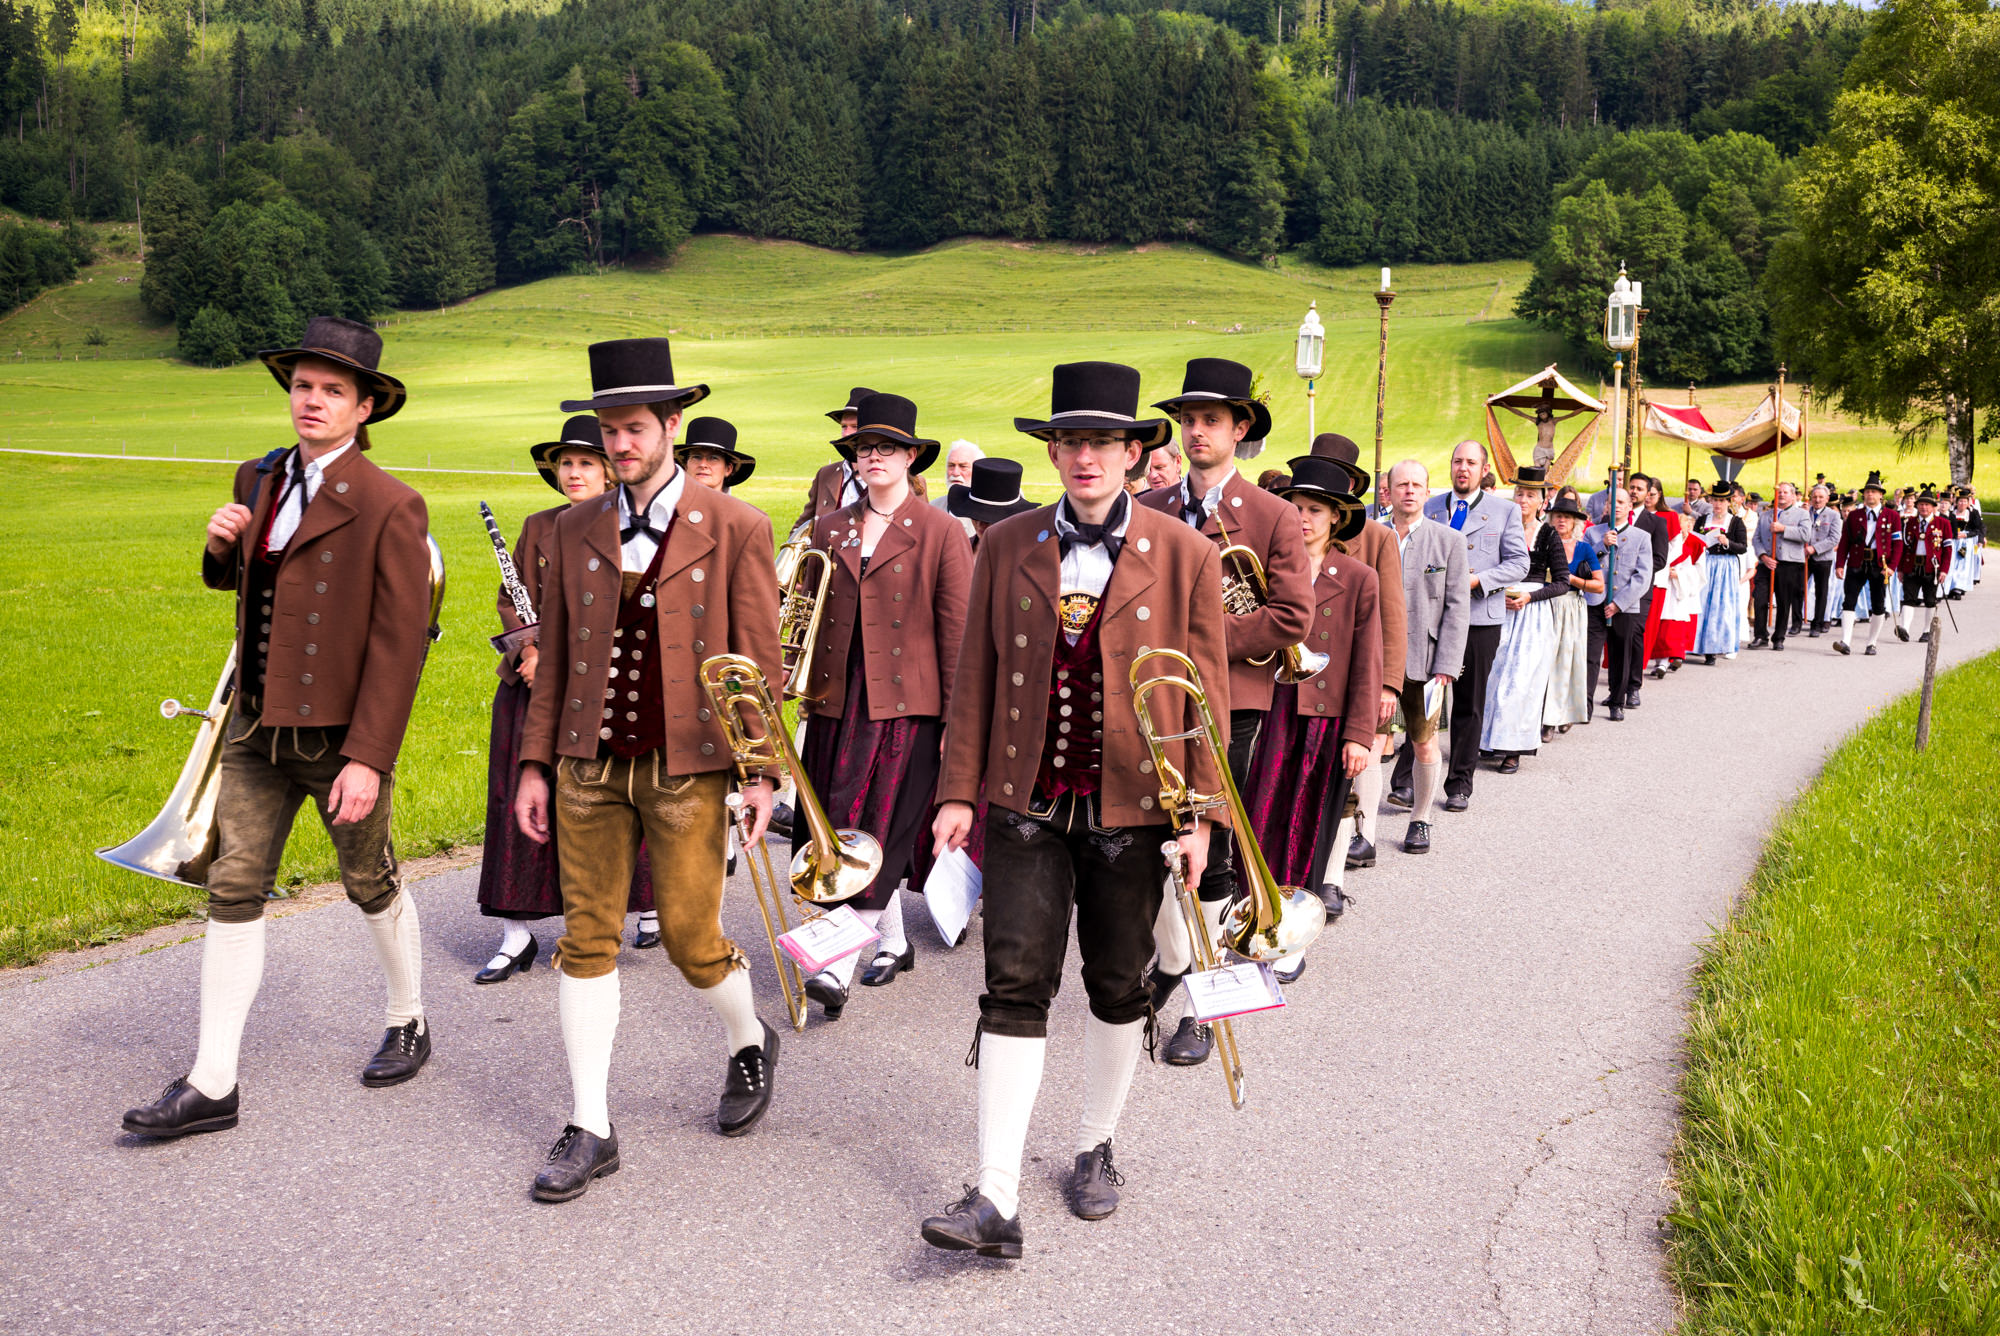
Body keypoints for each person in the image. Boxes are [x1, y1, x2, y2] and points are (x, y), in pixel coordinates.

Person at [919, 360, 1227, 1256]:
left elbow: (1204, 697)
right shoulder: (1007, 543)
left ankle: (1095, 1145)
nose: (1084, 456)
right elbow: (973, 676)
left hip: (1137, 807)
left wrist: (1201, 820)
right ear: (1052, 452)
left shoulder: (1186, 553)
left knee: (1118, 982)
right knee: (1013, 982)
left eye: (1101, 442)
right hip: (1026, 802)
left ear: (1132, 452)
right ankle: (996, 1195)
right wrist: (955, 792)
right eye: (1069, 441)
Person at [122, 317, 435, 1140]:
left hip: (338, 740)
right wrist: (219, 547)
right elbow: (247, 587)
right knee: (233, 886)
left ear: (365, 408)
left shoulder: (392, 504)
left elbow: (399, 644)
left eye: (333, 390)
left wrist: (368, 758)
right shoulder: (257, 477)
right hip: (255, 727)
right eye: (302, 385)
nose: (313, 401)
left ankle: (408, 1016)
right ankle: (212, 1082)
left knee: (369, 881)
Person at [512, 337, 785, 1203]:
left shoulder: (736, 526)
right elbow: (555, 658)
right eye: (608, 430)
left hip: (688, 766)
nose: (619, 445)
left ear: (671, 425)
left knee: (691, 941)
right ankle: (590, 1125)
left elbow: (757, 662)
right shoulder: (571, 527)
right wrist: (534, 763)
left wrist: (760, 773)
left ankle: (749, 1039)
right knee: (586, 937)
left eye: (634, 428)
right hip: (588, 765)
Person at [1138, 357, 1311, 1067]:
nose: (1196, 432)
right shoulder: (1149, 507)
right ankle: (1172, 963)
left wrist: (1201, 640)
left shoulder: (1272, 515)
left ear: (1240, 429)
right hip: (1152, 699)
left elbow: (1292, 616)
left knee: (1210, 852)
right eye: (1188, 420)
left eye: (1211, 420)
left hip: (1231, 704)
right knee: (1149, 840)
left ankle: (1204, 1006)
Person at [796, 393, 972, 1019]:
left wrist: (955, 724)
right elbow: (808, 614)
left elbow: (958, 635)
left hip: (906, 707)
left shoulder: (941, 530)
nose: (874, 456)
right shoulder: (830, 526)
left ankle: (836, 966)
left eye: (888, 447)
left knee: (881, 829)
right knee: (837, 824)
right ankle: (893, 942)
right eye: (865, 447)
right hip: (837, 701)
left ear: (911, 456)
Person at [477, 418, 660, 983]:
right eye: (565, 464)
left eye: (585, 462)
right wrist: (530, 651)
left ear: (609, 471)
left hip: (602, 688)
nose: (573, 473)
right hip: (530, 688)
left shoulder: (633, 529)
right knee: (517, 799)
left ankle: (639, 908)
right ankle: (516, 934)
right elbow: (513, 600)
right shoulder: (539, 525)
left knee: (615, 802)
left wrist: (560, 661)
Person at [1239, 456, 1380, 925]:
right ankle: (1251, 913)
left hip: (1325, 717)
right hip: (1269, 707)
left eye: (1315, 510)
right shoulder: (1269, 568)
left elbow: (1367, 661)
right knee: (1257, 816)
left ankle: (1294, 924)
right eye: (1295, 508)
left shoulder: (1358, 577)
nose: (1302, 518)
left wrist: (1359, 734)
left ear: (1336, 516)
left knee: (1309, 824)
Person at [1300, 434, 1405, 875]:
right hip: (1299, 678)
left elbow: (1391, 614)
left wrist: (1389, 683)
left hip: (1354, 673)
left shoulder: (1378, 537)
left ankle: (1351, 854)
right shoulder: (1292, 534)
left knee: (1356, 769)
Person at [1419, 439, 1527, 812]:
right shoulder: (1431, 507)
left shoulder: (1505, 511)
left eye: (1470, 462)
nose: (1462, 468)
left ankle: (1459, 784)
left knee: (1468, 703)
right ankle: (1409, 782)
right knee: (1422, 698)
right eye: (1457, 461)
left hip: (1479, 619)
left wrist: (1478, 580)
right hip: (1432, 618)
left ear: (1484, 470)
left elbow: (1519, 563)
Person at [1380, 460, 1469, 855]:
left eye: (1417, 485)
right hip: (1377, 661)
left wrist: (1447, 665)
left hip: (1427, 662)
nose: (1410, 491)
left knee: (1425, 743)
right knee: (1370, 744)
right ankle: (1361, 831)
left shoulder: (1449, 541)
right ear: (1388, 491)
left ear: (1428, 492)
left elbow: (1457, 606)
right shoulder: (1370, 536)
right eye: (1402, 484)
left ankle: (1421, 820)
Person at [1479, 466, 1565, 770]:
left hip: (1532, 615)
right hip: (1498, 606)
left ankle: (1514, 748)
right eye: (1519, 493)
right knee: (1491, 676)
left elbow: (1562, 582)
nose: (1523, 500)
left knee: (1521, 681)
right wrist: (1497, 592)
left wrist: (1530, 596)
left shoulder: (1548, 534)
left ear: (1542, 501)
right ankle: (1487, 740)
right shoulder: (1499, 527)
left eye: (1530, 495)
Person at [789, 387, 926, 538]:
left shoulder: (912, 482)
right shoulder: (826, 474)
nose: (846, 433)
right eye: (844, 426)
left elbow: (923, 531)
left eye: (854, 426)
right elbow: (801, 528)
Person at [1583, 485, 1654, 722]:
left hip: (1625, 606)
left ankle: (1617, 701)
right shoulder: (1593, 533)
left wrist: (1619, 603)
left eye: (1621, 503)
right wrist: (1601, 546)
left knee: (1620, 655)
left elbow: (1643, 576)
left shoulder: (1641, 537)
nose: (1615, 507)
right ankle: (1585, 704)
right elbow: (1582, 566)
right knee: (1590, 656)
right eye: (1611, 502)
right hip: (1595, 603)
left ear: (1630, 506)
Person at [1539, 489, 1600, 735]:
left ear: (1575, 521)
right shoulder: (1542, 544)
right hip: (1544, 604)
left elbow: (1599, 585)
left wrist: (1572, 579)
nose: (1562, 520)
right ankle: (1544, 715)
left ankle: (1557, 717)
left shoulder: (1584, 549)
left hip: (1570, 607)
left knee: (1565, 663)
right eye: (1557, 516)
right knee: (1543, 663)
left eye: (1567, 516)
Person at [1834, 472, 1900, 657]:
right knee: (1849, 601)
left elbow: (1898, 544)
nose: (1870, 494)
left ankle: (1872, 643)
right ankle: (1846, 641)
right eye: (1867, 492)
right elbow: (1845, 541)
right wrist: (1840, 564)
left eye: (1874, 492)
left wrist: (1892, 566)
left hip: (1880, 565)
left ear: (1881, 495)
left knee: (1878, 605)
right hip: (1857, 562)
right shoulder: (1854, 515)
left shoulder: (1892, 516)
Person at [1692, 483, 1748, 665]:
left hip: (1725, 566)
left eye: (1722, 501)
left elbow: (1743, 547)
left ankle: (1713, 648)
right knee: (1700, 602)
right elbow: (1694, 540)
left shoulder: (1735, 522)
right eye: (1715, 500)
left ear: (1728, 502)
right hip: (1706, 562)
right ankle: (1695, 644)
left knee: (1719, 606)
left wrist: (1727, 542)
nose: (1718, 504)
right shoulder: (1703, 520)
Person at [946, 456, 1038, 552]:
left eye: (987, 520)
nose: (980, 525)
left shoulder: (1024, 555)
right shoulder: (958, 550)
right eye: (975, 516)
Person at [1897, 489, 1953, 643]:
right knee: (1908, 597)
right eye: (1921, 504)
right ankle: (1904, 629)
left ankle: (1927, 631)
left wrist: (1944, 570)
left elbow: (1947, 550)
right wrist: (1900, 569)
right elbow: (1903, 548)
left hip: (1932, 568)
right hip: (1912, 565)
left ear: (1933, 507)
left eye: (1927, 505)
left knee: (1930, 599)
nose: (1924, 507)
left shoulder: (1943, 523)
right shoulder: (1909, 523)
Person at [1758, 481, 1809, 651]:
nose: (1781, 494)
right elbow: (1756, 538)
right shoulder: (1766, 515)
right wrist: (1763, 556)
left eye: (1785, 492)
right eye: (1779, 492)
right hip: (1767, 562)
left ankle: (1778, 637)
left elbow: (1805, 534)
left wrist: (1783, 529)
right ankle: (1760, 635)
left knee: (1784, 601)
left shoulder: (1802, 514)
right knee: (1760, 599)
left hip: (1789, 563)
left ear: (1793, 496)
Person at [674, 416, 756, 494]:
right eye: (696, 457)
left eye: (713, 458)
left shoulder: (736, 505)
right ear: (685, 466)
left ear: (728, 469)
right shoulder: (669, 503)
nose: (703, 464)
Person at [1803, 483, 1840, 635]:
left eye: (1820, 497)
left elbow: (1834, 538)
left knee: (1821, 591)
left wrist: (1814, 548)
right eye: (1815, 497)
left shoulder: (1833, 515)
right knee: (1798, 589)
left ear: (1827, 499)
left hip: (1822, 557)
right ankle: (1797, 622)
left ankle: (1817, 624)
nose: (1817, 500)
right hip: (1804, 557)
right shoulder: (1804, 513)